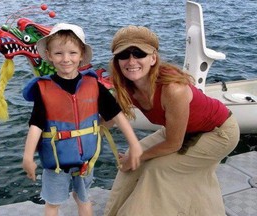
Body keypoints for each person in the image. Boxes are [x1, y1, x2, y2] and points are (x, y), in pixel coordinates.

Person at [104, 25, 240, 216]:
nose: (131, 61)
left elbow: (173, 143)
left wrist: (138, 156)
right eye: (124, 55)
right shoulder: (125, 85)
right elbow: (109, 120)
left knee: (157, 170)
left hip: (219, 132)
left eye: (138, 53)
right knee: (130, 164)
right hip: (182, 130)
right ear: (117, 61)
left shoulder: (173, 89)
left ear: (153, 58)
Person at [21, 23, 142, 216]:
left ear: (81, 55)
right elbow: (36, 125)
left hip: (86, 161)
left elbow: (117, 115)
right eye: (59, 53)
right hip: (56, 164)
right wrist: (28, 157)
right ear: (50, 56)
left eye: (72, 53)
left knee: (84, 200)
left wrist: (134, 145)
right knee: (53, 203)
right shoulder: (43, 89)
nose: (66, 59)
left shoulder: (94, 85)